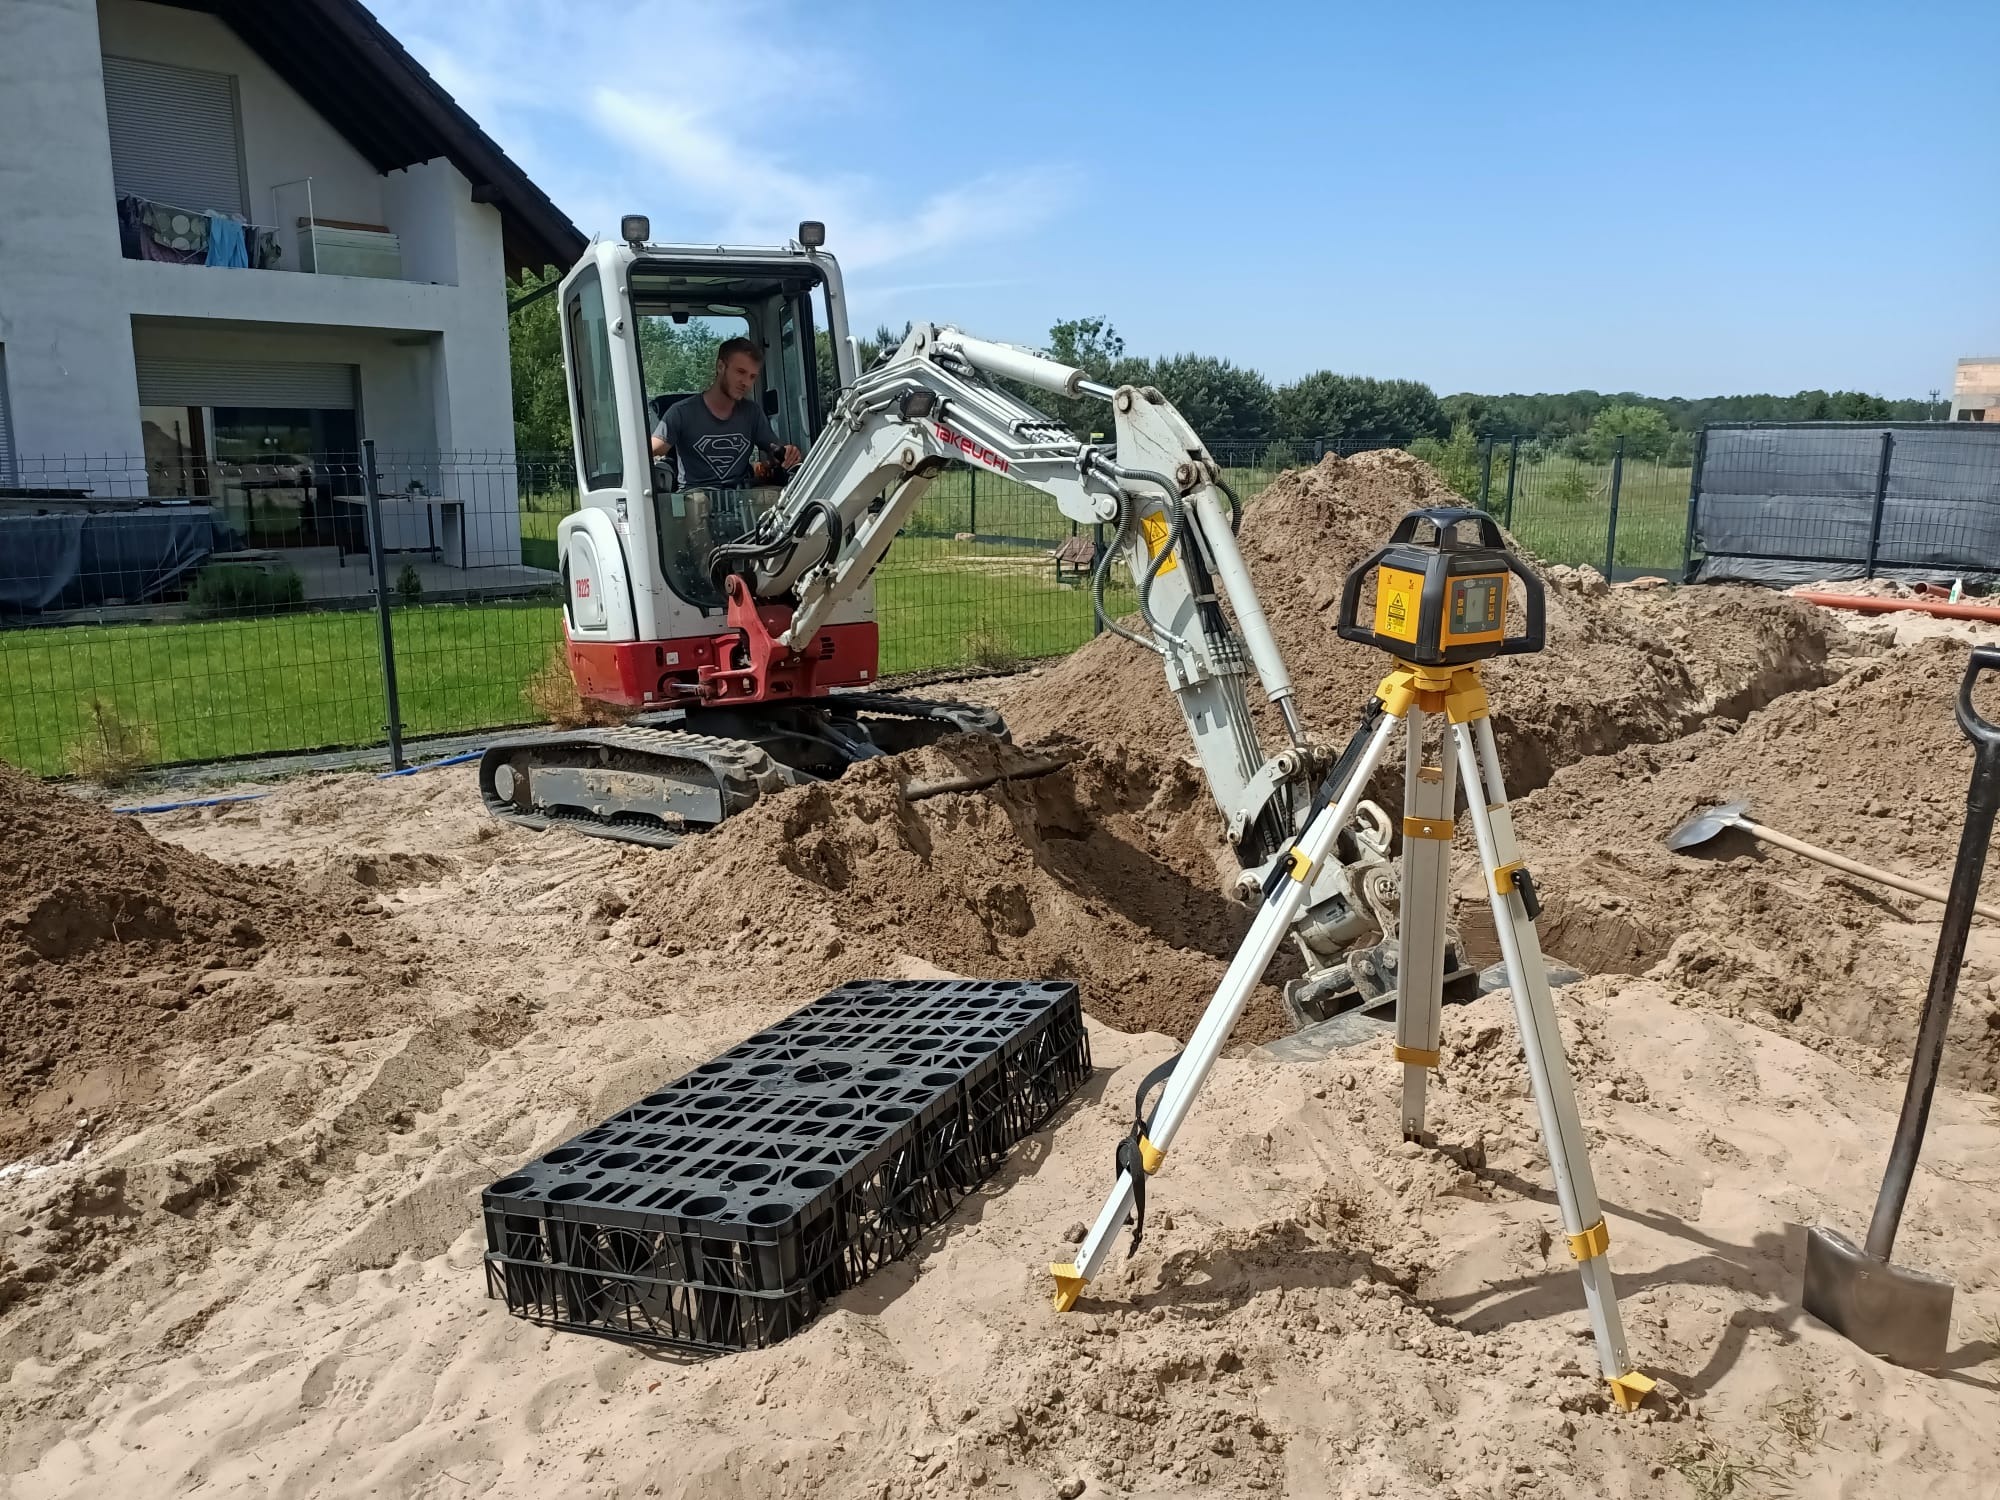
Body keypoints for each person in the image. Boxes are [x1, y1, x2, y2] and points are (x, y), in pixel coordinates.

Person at [650, 337, 803, 486]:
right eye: (740, 372)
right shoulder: (681, 412)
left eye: (752, 376)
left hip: (742, 498)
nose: (746, 383)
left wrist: (788, 454)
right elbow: (652, 449)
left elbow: (774, 452)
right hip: (695, 500)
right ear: (720, 367)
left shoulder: (752, 412)